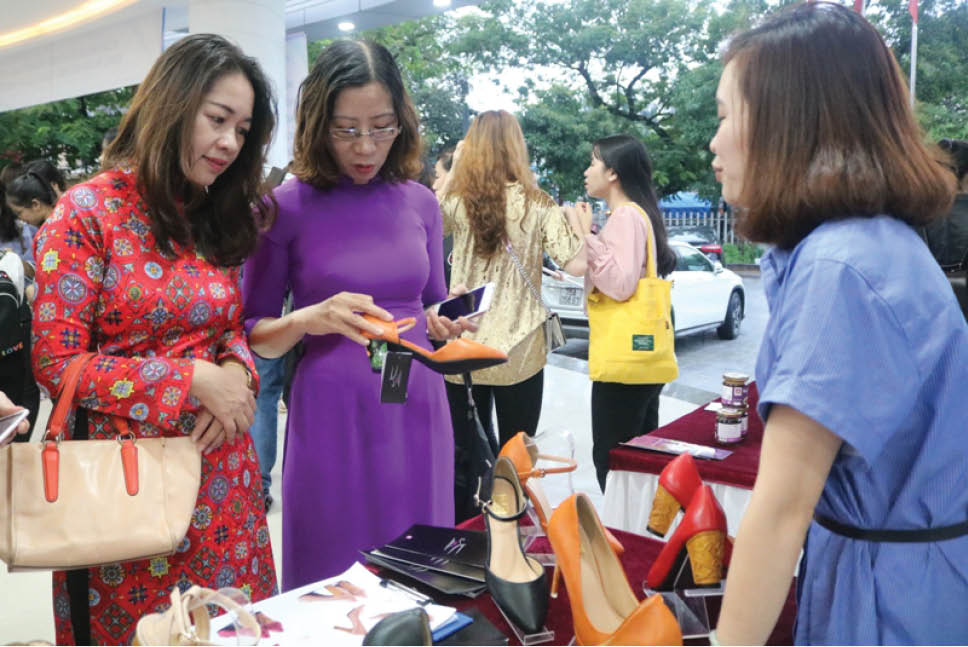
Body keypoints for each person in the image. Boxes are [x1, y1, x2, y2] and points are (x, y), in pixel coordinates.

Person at [708, 3, 965, 644]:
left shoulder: (840, 266)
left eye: (724, 116)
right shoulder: (867, 244)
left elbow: (782, 510)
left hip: (888, 598)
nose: (714, 143)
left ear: (786, 124)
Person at [31, 34, 279, 645]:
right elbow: (56, 363)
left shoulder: (213, 216)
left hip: (224, 484)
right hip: (125, 491)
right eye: (217, 119)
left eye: (243, 130)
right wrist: (190, 380)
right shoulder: (87, 212)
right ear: (172, 106)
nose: (230, 142)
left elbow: (228, 328)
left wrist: (237, 375)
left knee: (233, 628)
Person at [243, 39, 467, 591]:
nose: (366, 147)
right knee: (332, 566)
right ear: (318, 125)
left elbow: (430, 301)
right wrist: (308, 319)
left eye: (382, 127)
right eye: (346, 130)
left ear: (402, 123)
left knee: (418, 570)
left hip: (416, 401)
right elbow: (254, 333)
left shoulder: (421, 202)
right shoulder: (283, 207)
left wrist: (445, 319)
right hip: (332, 412)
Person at [437, 111, 584, 519]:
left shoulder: (457, 202)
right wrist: (581, 226)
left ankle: (467, 531)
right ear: (517, 146)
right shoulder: (538, 203)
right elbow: (575, 264)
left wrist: (455, 169)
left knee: (464, 453)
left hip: (464, 344)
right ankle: (511, 529)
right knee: (517, 454)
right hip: (520, 349)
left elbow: (427, 223)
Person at [565, 135, 677, 492]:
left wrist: (585, 234)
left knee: (611, 461)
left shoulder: (626, 216)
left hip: (624, 360)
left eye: (593, 162)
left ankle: (623, 525)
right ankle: (640, 525)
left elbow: (620, 284)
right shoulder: (632, 214)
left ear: (613, 172)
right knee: (638, 459)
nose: (586, 171)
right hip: (640, 357)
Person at [0, 183, 39, 437]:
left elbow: (34, 267)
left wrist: (13, 260)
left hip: (16, 316)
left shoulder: (21, 229)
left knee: (23, 384)